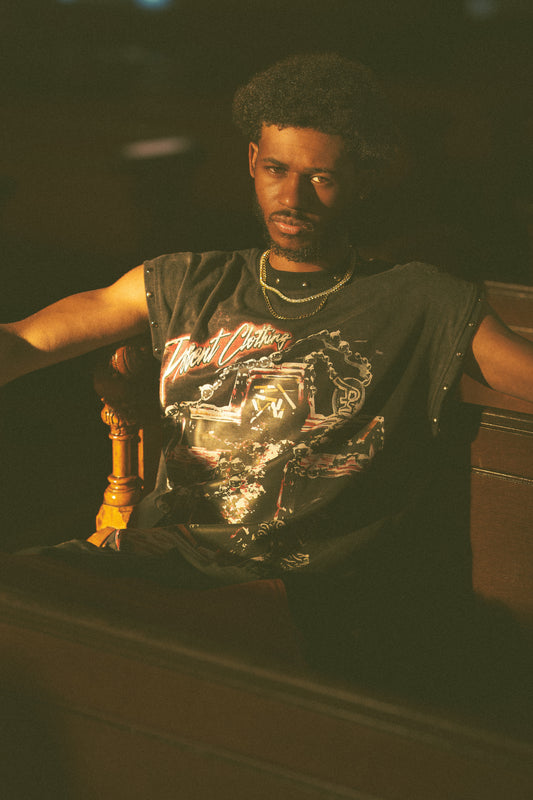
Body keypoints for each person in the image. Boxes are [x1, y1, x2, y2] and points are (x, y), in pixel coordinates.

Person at [2, 54, 533, 694]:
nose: (292, 198)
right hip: (162, 563)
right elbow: (26, 339)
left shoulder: (419, 299)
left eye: (321, 178)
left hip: (301, 600)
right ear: (253, 160)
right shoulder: (188, 280)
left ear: (362, 181)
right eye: (277, 170)